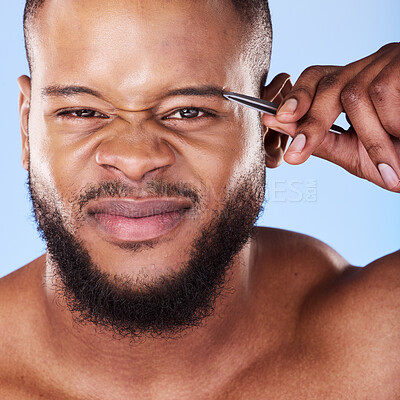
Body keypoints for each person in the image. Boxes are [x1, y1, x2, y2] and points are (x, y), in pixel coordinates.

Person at [0, 0, 399, 398]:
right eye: (83, 112)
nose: (136, 161)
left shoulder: (384, 352)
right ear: (27, 128)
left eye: (189, 112)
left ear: (272, 133)